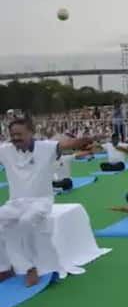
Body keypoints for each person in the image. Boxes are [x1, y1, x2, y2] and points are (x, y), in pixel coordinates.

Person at [0, 119, 92, 286]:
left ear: (31, 133)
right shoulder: (5, 150)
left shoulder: (46, 147)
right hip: (14, 202)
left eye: (19, 134)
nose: (15, 138)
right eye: (12, 135)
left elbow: (67, 144)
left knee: (26, 221)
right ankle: (4, 268)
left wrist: (86, 139)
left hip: (40, 201)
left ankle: (31, 268)